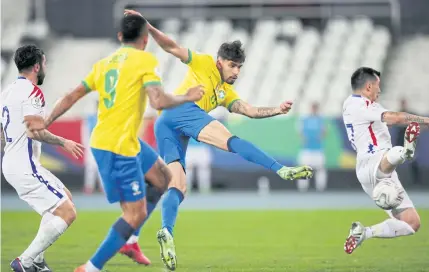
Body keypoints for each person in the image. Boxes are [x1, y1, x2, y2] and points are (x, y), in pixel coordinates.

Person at [124, 9, 313, 271]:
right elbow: (171, 46)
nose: (236, 71)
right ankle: (279, 169)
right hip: (182, 110)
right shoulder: (202, 63)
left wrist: (276, 110)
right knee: (232, 140)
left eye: (239, 67)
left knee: (177, 187)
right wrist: (149, 27)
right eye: (232, 65)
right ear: (219, 62)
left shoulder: (225, 92)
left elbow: (249, 111)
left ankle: (166, 231)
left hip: (165, 124)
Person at [25, 14, 204, 272]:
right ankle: (91, 267)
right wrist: (187, 96)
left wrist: (46, 120)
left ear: (120, 37)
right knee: (135, 214)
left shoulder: (104, 64)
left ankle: (130, 240)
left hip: (117, 139)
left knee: (163, 177)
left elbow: (71, 95)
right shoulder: (145, 59)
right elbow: (158, 102)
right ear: (145, 40)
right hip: (117, 146)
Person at [1, 45, 82, 272]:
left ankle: (37, 261)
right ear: (37, 66)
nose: (45, 67)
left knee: (64, 197)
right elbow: (34, 130)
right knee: (67, 212)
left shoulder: (6, 92)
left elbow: (2, 133)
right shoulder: (32, 92)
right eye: (44, 63)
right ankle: (25, 262)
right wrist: (63, 142)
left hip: (15, 163)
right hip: (24, 165)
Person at [342, 67, 428, 254]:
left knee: (412, 223)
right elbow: (395, 118)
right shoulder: (361, 105)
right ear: (369, 86)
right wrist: (426, 120)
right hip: (375, 161)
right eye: (378, 86)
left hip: (372, 173)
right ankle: (407, 152)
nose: (379, 91)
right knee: (392, 154)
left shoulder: (351, 104)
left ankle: (364, 233)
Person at [297, 102, 327, 192]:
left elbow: (324, 131)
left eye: (315, 108)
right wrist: (303, 139)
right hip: (306, 149)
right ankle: (303, 188)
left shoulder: (320, 119)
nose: (314, 109)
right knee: (303, 168)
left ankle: (320, 187)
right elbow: (300, 132)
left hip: (318, 149)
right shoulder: (304, 119)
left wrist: (320, 137)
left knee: (320, 168)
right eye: (312, 107)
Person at [395, 98, 421, 184]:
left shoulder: (410, 114)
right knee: (395, 159)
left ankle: (416, 180)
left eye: (404, 103)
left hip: (409, 139)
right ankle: (393, 179)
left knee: (412, 159)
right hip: (400, 139)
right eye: (402, 103)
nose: (403, 105)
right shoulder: (397, 114)